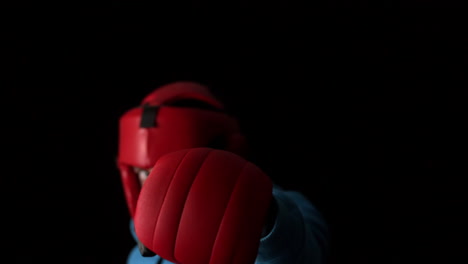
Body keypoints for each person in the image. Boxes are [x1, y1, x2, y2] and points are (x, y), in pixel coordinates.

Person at [116, 81, 330, 264]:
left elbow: (304, 257)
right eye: (143, 172)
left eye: (166, 171)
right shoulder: (139, 253)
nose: (152, 183)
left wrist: (261, 218)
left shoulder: (287, 209)